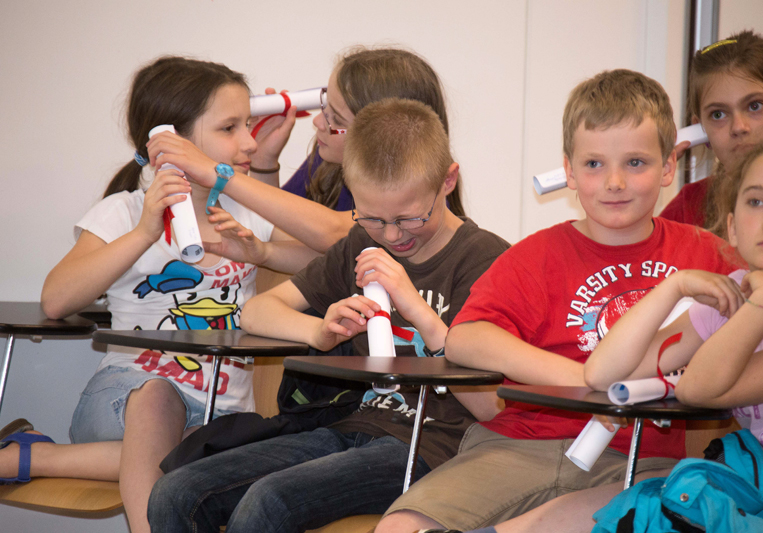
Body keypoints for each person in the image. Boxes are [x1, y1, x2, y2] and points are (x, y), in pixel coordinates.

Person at [374, 69, 739, 533]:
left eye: (635, 163)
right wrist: (583, 380)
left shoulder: (707, 255)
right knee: (397, 528)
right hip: (514, 446)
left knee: (662, 511)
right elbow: (465, 339)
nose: (613, 182)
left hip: (635, 457)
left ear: (669, 166)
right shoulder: (538, 255)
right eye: (593, 165)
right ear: (567, 169)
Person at [146, 97, 510, 533]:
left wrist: (418, 311)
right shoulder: (360, 244)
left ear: (448, 180)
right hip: (355, 423)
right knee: (177, 492)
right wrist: (320, 330)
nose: (393, 235)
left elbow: (493, 407)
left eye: (410, 218)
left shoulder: (488, 260)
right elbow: (257, 312)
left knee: (268, 503)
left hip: (434, 445)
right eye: (372, 217)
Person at [437, 129, 763, 533]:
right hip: (745, 491)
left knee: (650, 504)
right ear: (732, 228)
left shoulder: (752, 300)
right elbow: (602, 374)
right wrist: (671, 289)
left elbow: (701, 388)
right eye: (756, 202)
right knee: (625, 505)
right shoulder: (733, 290)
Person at [0, 56, 306, 533]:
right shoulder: (121, 212)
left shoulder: (246, 214)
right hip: (125, 397)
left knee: (233, 452)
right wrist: (146, 231)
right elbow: (57, 300)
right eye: (230, 127)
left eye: (248, 124)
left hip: (220, 417)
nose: (247, 140)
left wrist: (263, 191)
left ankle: (36, 457)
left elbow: (324, 266)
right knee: (160, 398)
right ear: (172, 141)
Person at [149, 46, 465, 259]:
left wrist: (217, 174)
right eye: (324, 109)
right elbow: (280, 231)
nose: (318, 122)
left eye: (336, 120)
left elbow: (335, 232)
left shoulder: (418, 190)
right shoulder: (324, 164)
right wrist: (264, 163)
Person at [659, 30, 763, 230]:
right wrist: (648, 175)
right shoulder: (689, 207)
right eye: (718, 115)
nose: (739, 127)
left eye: (754, 106)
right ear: (702, 129)